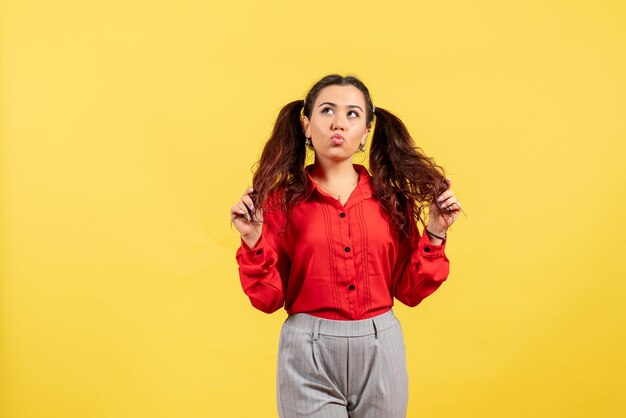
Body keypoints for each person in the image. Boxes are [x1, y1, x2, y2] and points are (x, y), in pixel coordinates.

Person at [230, 74, 461, 418]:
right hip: (307, 351)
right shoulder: (278, 204)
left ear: (366, 132)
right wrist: (252, 241)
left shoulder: (391, 200)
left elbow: (410, 292)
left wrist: (436, 233)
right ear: (306, 125)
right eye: (327, 111)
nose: (339, 123)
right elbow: (268, 299)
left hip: (381, 347)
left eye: (353, 114)